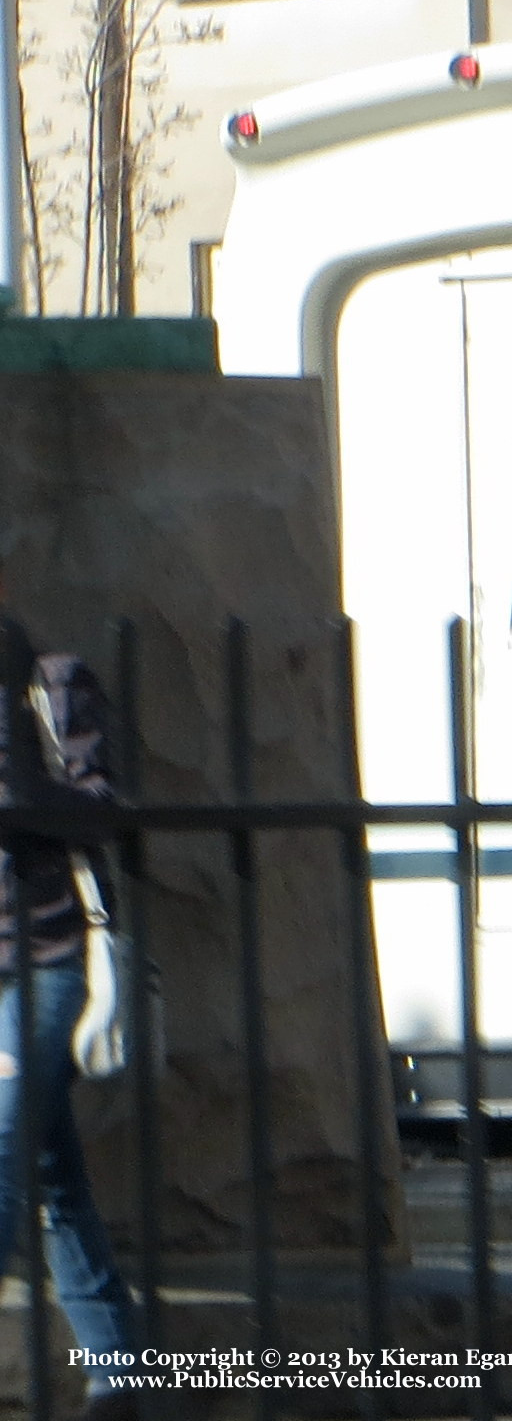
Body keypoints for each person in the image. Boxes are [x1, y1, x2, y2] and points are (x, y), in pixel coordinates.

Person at [0, 582, 140, 1419]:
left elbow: (104, 809)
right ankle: (121, 1370)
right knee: (53, 1172)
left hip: (48, 957)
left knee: (7, 1149)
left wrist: (23, 792)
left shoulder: (54, 683)